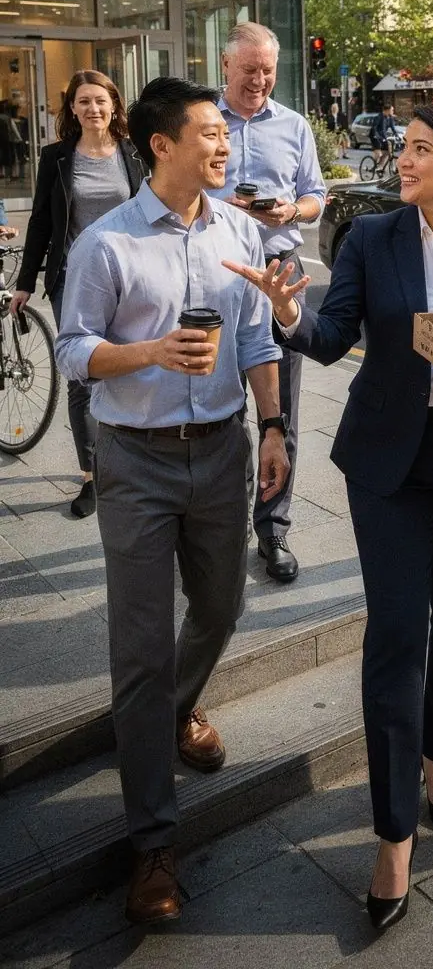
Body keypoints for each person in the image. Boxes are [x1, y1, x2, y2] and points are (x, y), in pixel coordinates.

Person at [224, 103, 433, 933]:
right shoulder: (371, 238)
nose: (402, 161)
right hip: (391, 465)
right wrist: (286, 312)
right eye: (402, 149)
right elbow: (330, 339)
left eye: (420, 150)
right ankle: (395, 830)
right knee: (400, 634)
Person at [54, 78, 289, 925]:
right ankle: (153, 843)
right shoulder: (108, 245)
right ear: (161, 144)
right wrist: (150, 350)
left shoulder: (237, 228)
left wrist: (273, 426)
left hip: (225, 451)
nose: (225, 145)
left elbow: (260, 336)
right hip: (135, 462)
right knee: (142, 644)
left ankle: (175, 710)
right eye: (210, 133)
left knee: (223, 608)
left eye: (226, 135)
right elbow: (75, 352)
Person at [214, 23, 325, 583]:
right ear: (225, 64)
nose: (259, 80)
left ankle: (272, 527)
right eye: (249, 69)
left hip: (281, 268)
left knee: (281, 406)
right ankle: (217, 525)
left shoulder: (295, 124)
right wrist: (223, 203)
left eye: (268, 70)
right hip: (214, 270)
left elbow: (317, 195)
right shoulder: (203, 123)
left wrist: (293, 212)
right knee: (216, 400)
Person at [11, 72, 145, 518]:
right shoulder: (57, 158)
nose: (93, 109)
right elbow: (41, 223)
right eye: (84, 102)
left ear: (114, 105)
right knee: (82, 377)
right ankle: (91, 476)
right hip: (73, 277)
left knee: (132, 364)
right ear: (72, 108)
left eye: (101, 101)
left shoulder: (134, 152)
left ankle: (133, 459)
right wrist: (25, 282)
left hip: (129, 277)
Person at [371, 103, 398, 172]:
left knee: (387, 152)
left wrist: (397, 136)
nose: (393, 111)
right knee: (379, 153)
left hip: (383, 137)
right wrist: (378, 137)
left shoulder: (390, 118)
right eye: (392, 110)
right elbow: (375, 128)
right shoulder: (379, 117)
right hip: (375, 136)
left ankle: (380, 166)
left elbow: (393, 128)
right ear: (387, 110)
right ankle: (374, 166)